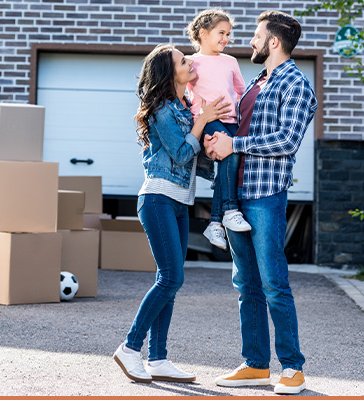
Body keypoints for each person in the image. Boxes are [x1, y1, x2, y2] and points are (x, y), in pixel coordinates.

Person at [204, 10, 317, 395]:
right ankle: (255, 364)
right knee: (245, 284)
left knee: (273, 283)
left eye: (255, 35)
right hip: (234, 194)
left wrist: (234, 144)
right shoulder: (255, 81)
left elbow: (287, 141)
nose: (249, 41)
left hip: (265, 194)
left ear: (273, 41)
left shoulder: (297, 85)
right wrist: (216, 143)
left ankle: (292, 368)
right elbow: (234, 130)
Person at [113, 43, 230, 384]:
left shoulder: (185, 107)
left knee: (170, 280)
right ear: (169, 72)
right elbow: (180, 154)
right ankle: (131, 347)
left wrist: (214, 146)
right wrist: (204, 122)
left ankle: (159, 358)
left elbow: (195, 160)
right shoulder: (162, 109)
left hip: (180, 202)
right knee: (171, 278)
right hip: (158, 199)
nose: (190, 62)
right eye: (183, 60)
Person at [186, 9, 251, 251]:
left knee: (228, 164)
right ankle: (230, 210)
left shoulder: (231, 61)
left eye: (228, 34)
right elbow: (181, 91)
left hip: (231, 120)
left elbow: (241, 92)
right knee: (230, 155)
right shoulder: (190, 62)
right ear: (203, 33)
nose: (226, 38)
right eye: (221, 33)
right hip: (208, 120)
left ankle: (215, 223)